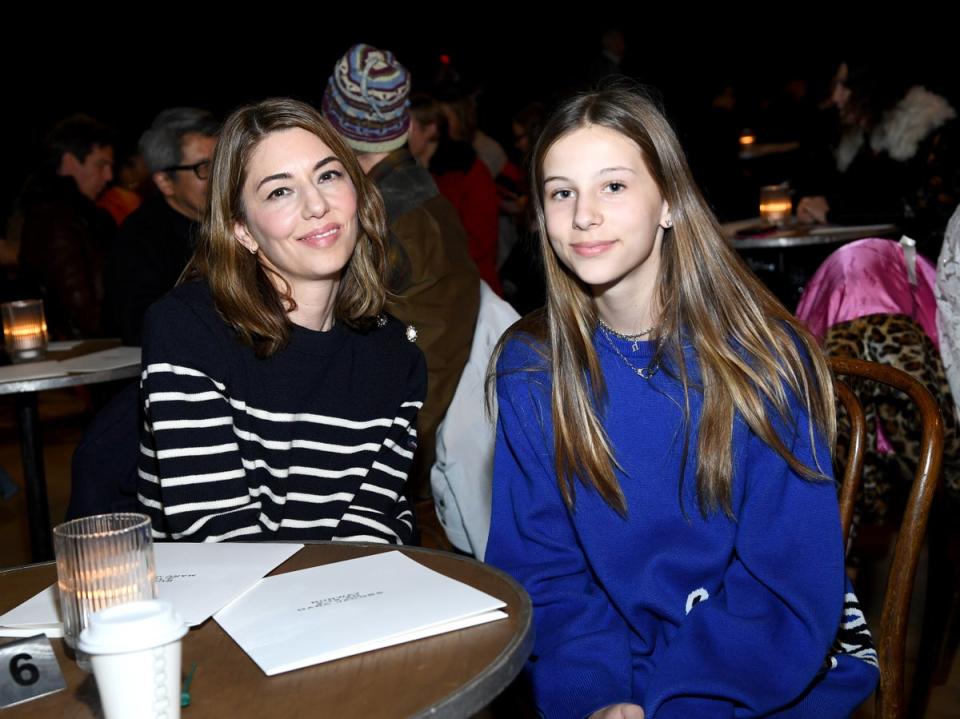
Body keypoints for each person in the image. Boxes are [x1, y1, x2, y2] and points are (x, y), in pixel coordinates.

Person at [486, 87, 879, 718]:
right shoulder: (532, 368)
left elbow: (784, 591)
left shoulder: (762, 361)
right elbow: (545, 573)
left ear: (668, 200)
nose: (584, 214)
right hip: (618, 665)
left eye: (613, 186)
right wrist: (597, 695)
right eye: (562, 192)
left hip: (771, 663)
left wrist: (675, 703)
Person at [137, 98, 426, 544]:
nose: (317, 205)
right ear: (243, 230)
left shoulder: (396, 356)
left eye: (328, 175)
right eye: (280, 190)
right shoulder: (188, 331)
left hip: (345, 598)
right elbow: (217, 540)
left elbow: (375, 523)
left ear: (359, 194)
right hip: (211, 604)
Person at [111, 107, 220, 345]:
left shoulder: (243, 219)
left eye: (222, 163)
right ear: (165, 182)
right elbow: (143, 324)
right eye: (204, 167)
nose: (220, 177)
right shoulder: (140, 239)